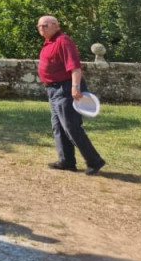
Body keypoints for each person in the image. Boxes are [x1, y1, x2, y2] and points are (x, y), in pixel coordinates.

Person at [37, 16, 105, 174]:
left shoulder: (63, 40)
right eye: (39, 26)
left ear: (55, 25)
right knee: (58, 127)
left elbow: (75, 67)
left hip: (65, 88)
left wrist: (75, 87)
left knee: (71, 127)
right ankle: (66, 161)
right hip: (53, 90)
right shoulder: (49, 43)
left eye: (45, 25)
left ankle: (94, 161)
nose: (41, 28)